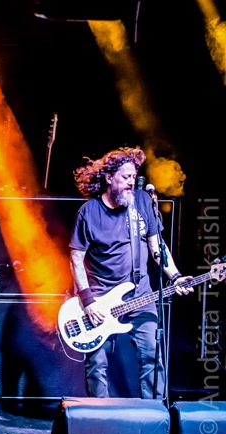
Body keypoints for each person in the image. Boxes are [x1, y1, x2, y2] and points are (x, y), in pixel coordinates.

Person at [69, 146, 191, 399]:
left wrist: (176, 276)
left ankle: (154, 414)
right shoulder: (89, 212)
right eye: (125, 177)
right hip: (100, 299)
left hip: (140, 295)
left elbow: (157, 248)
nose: (131, 182)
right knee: (97, 364)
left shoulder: (143, 202)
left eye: (134, 177)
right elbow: (76, 259)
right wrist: (88, 301)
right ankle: (98, 416)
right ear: (108, 177)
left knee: (152, 356)